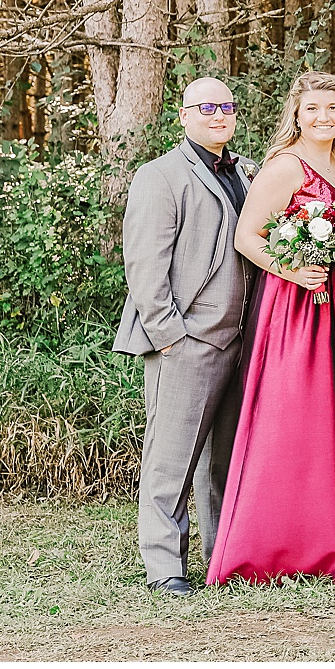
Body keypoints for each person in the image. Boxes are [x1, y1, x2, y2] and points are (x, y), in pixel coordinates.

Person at [207, 71, 335, 585]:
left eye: (333, 109)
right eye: (313, 108)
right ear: (296, 113)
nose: (324, 118)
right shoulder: (284, 165)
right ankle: (274, 546)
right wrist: (293, 268)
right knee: (293, 416)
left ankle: (330, 542)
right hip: (295, 305)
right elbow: (247, 237)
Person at [115, 77, 255, 596]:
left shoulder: (243, 171)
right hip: (187, 340)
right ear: (183, 114)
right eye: (207, 107)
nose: (218, 115)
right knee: (171, 458)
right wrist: (169, 333)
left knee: (223, 460)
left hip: (241, 339)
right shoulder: (161, 175)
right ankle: (164, 566)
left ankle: (221, 555)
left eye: (226, 106)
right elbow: (144, 262)